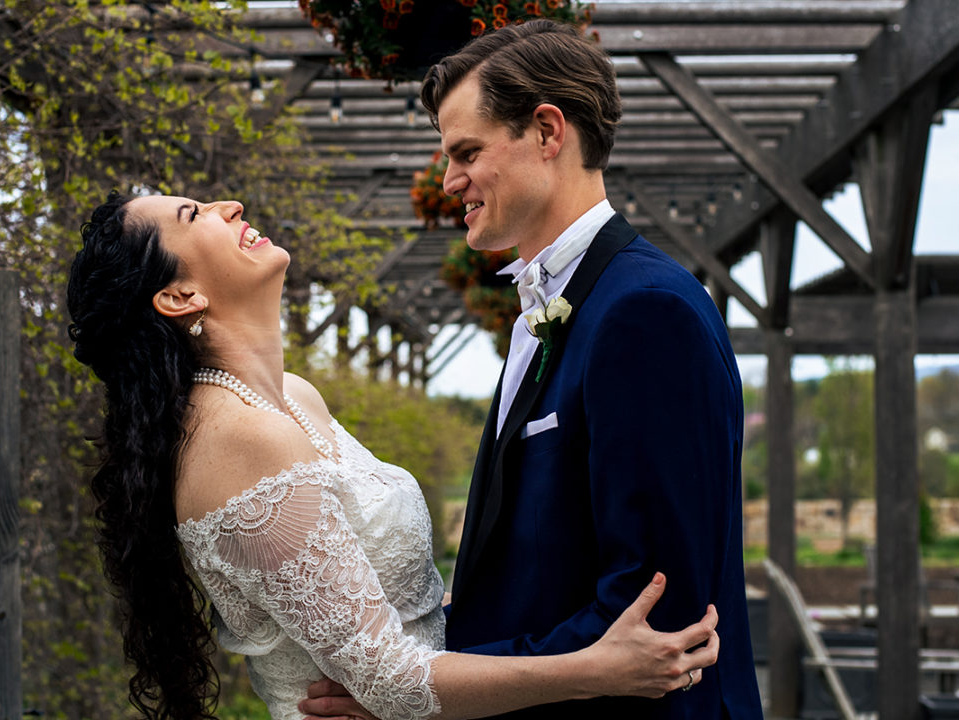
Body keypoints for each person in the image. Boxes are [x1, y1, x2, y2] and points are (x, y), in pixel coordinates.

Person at [65, 189, 721, 720]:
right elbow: (392, 682)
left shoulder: (294, 398)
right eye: (193, 216)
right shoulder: (239, 439)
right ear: (180, 298)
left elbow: (395, 644)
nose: (229, 205)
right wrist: (597, 670)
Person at [301, 18, 763, 720]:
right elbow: (541, 571)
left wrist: (419, 691)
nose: (448, 180)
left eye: (465, 152)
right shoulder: (547, 310)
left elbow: (653, 615)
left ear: (548, 133)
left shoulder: (645, 313)